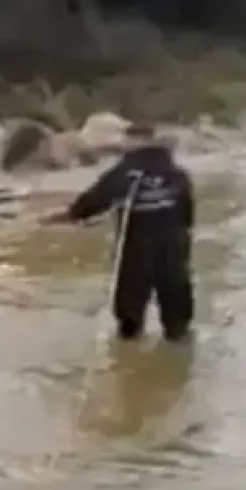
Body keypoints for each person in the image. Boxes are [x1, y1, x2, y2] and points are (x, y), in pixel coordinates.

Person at [43, 124, 195, 342]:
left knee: (129, 318)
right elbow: (187, 215)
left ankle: (129, 354)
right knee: (177, 319)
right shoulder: (177, 175)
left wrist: (67, 217)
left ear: (132, 142)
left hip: (136, 250)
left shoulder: (124, 174)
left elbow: (94, 200)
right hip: (173, 251)